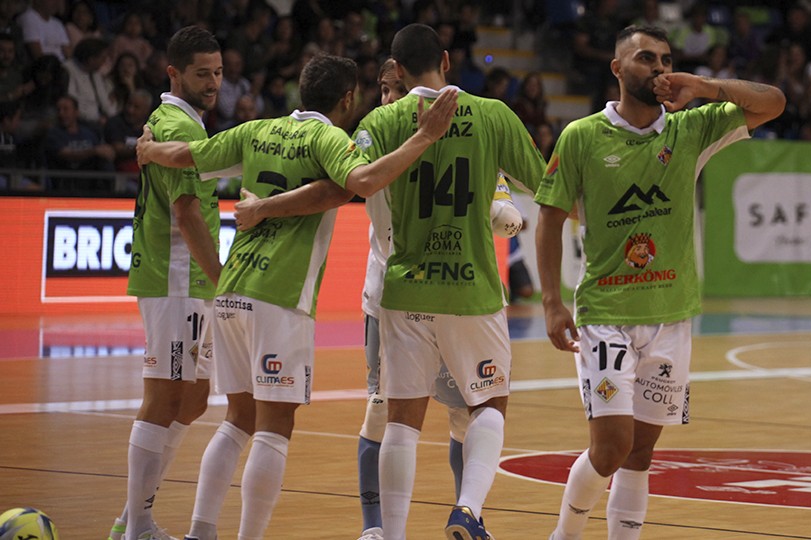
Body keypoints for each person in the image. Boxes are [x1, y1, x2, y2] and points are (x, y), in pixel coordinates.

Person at [136, 52, 458, 540]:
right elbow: (362, 181)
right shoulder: (330, 139)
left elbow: (186, 154)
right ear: (347, 99)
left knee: (237, 420)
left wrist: (149, 150)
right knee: (273, 428)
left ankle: (200, 532)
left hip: (231, 288)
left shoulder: (257, 130)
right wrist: (426, 135)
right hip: (280, 295)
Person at [228, 56, 522, 540]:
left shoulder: (441, 131)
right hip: (386, 294)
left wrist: (499, 197)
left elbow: (497, 188)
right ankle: (375, 527)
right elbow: (337, 187)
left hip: (443, 289)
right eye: (382, 90)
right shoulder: (370, 137)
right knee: (384, 411)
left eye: (394, 89)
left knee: (459, 417)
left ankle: (470, 514)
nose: (388, 98)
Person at [534, 25, 784, 540]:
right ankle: (564, 535)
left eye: (666, 60)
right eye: (646, 58)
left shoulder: (691, 129)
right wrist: (552, 302)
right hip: (606, 315)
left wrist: (706, 86)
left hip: (672, 316)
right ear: (617, 68)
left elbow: (774, 103)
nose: (659, 68)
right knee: (611, 448)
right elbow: (550, 219)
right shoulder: (581, 136)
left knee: (641, 453)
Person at [351, 23, 544, 540]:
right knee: (489, 405)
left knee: (400, 422)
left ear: (396, 70)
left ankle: (390, 533)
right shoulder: (493, 114)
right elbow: (547, 183)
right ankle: (467, 510)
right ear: (445, 59)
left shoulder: (381, 120)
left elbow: (350, 181)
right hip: (471, 289)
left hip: (403, 289)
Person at [110, 25, 223, 540]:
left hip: (188, 278)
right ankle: (137, 527)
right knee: (164, 397)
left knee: (194, 398)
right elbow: (186, 212)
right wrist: (221, 278)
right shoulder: (181, 126)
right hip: (178, 275)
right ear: (174, 73)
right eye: (202, 74)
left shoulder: (173, 120)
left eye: (218, 72)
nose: (213, 83)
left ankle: (131, 519)